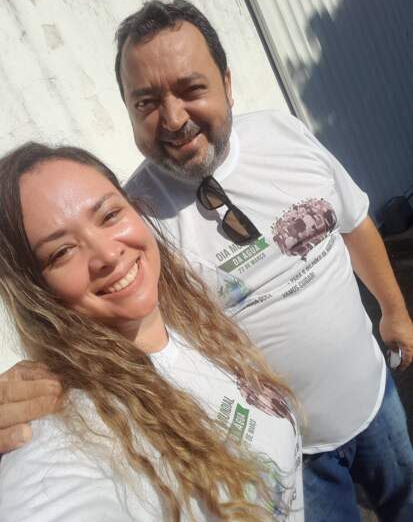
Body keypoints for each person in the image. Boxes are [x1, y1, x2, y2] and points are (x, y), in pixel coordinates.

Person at [1, 0, 413, 520]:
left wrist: (395, 311)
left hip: (375, 398)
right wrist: (28, 395)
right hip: (295, 461)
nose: (173, 119)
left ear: (228, 83)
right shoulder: (134, 220)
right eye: (146, 102)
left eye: (191, 89)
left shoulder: (284, 134)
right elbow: (96, 343)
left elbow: (354, 223)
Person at [0, 142, 303, 521]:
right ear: (35, 291)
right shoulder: (59, 444)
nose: (108, 255)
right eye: (61, 252)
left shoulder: (193, 314)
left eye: (109, 215)